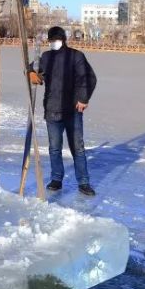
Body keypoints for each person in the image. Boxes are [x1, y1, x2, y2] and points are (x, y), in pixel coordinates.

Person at [29, 26, 97, 196]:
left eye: (56, 40)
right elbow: (32, 67)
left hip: (72, 109)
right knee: (54, 148)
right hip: (52, 109)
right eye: (51, 41)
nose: (53, 43)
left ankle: (83, 182)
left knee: (78, 148)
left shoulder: (76, 56)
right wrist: (30, 72)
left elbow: (88, 78)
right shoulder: (46, 57)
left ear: (63, 39)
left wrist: (83, 98)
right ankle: (56, 179)